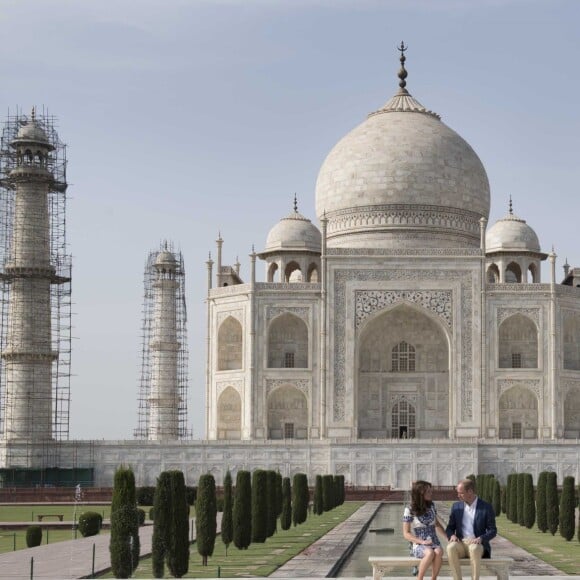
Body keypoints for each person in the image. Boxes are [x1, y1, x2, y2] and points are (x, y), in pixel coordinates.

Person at [445, 478, 497, 580]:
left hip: (477, 545)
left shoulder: (486, 507)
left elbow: (493, 530)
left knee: (474, 548)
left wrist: (481, 538)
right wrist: (452, 535)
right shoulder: (456, 507)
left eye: (461, 493)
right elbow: (449, 528)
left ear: (470, 491)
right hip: (461, 543)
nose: (458, 495)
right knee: (450, 547)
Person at [402, 480, 446, 580]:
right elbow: (406, 533)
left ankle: (433, 578)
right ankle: (419, 578)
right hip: (419, 544)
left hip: (434, 541)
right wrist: (422, 541)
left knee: (439, 552)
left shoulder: (432, 506)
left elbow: (436, 524)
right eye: (428, 492)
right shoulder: (409, 510)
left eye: (431, 491)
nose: (431, 494)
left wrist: (447, 538)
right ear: (420, 494)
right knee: (430, 552)